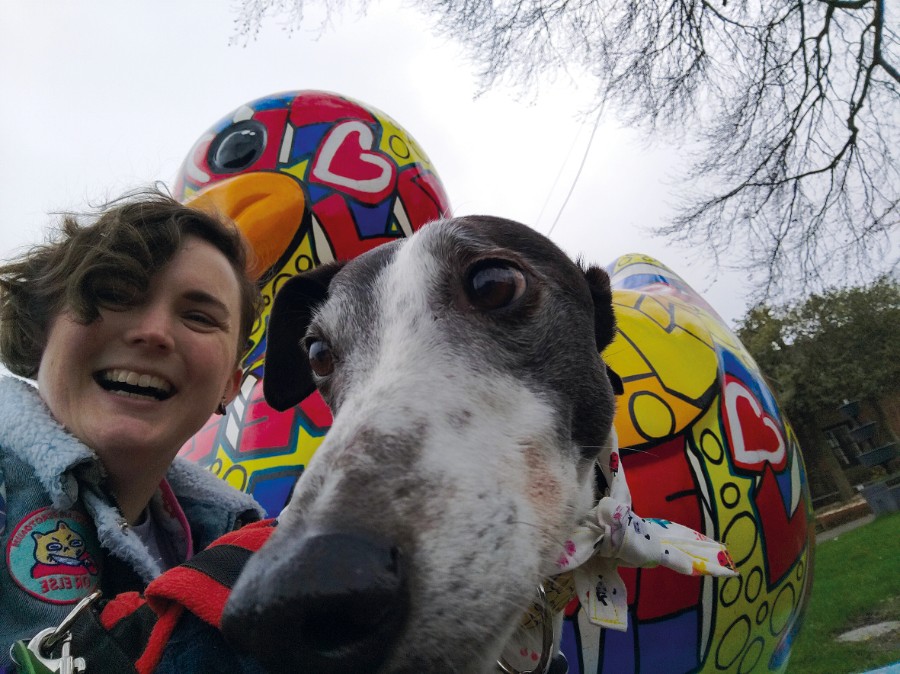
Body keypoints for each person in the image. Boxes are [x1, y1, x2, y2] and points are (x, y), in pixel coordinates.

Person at [0, 190, 265, 668]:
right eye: (117, 295)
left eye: (200, 317)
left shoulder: (243, 546)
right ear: (41, 333)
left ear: (230, 385)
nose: (154, 332)